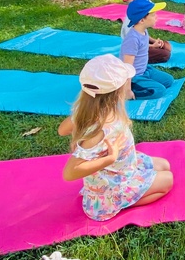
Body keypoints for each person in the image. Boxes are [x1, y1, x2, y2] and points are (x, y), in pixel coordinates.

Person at [58, 54, 173, 222]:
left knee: (164, 165)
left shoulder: (92, 113)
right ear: (117, 92)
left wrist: (79, 116)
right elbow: (69, 173)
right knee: (168, 181)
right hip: (110, 187)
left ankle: (126, 191)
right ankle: (117, 204)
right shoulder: (101, 129)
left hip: (120, 168)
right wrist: (110, 158)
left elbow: (62, 130)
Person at [120, 0, 176, 99]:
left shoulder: (143, 31)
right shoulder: (132, 39)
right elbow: (127, 67)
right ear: (142, 20)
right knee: (159, 90)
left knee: (169, 80)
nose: (156, 17)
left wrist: (154, 44)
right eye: (153, 15)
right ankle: (126, 91)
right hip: (134, 77)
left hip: (145, 70)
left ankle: (146, 82)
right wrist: (127, 90)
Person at [120, 0, 171, 64]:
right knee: (165, 54)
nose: (156, 17)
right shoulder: (132, 30)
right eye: (153, 15)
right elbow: (134, 45)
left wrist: (154, 41)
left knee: (167, 46)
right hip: (137, 50)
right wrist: (153, 46)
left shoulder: (140, 23)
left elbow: (143, 36)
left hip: (142, 45)